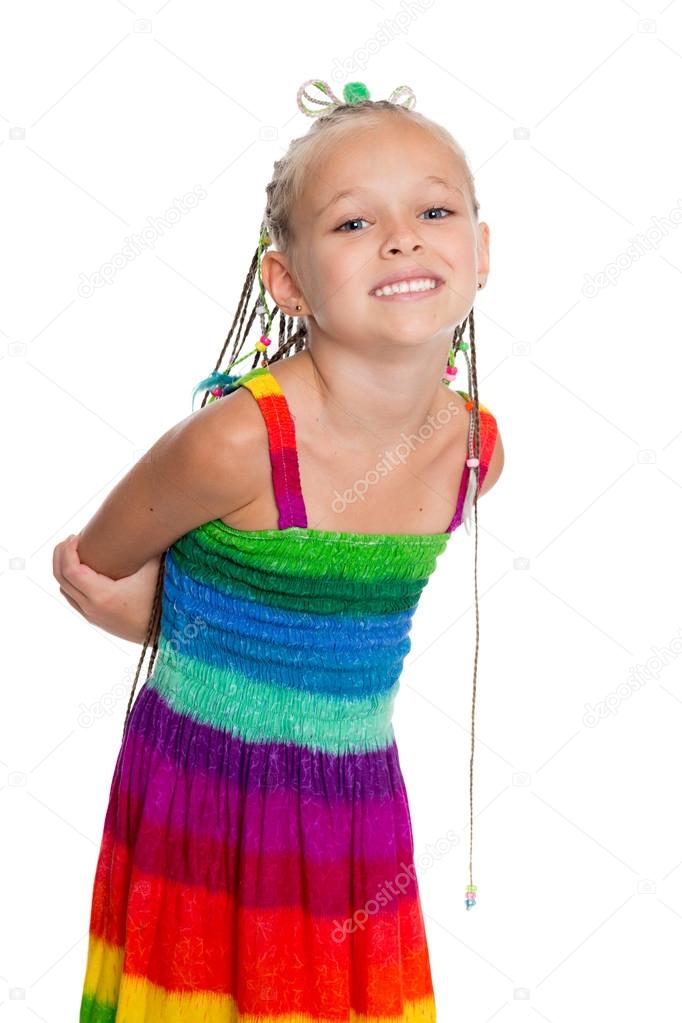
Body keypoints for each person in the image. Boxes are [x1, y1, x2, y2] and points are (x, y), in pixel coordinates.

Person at [54, 79, 504, 1021]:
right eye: (352, 223)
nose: (402, 237)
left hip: (354, 807)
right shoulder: (238, 443)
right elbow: (92, 564)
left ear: (482, 251)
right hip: (207, 798)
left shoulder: (475, 449)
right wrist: (202, 641)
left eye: (433, 208)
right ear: (287, 281)